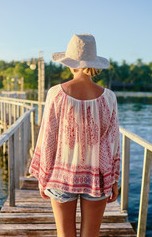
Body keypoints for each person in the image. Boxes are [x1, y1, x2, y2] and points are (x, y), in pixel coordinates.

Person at [29, 34, 120, 237]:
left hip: (61, 177)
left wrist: (43, 177)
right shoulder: (109, 98)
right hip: (97, 178)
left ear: (70, 63)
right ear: (94, 63)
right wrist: (114, 180)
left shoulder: (56, 93)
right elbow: (113, 143)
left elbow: (48, 138)